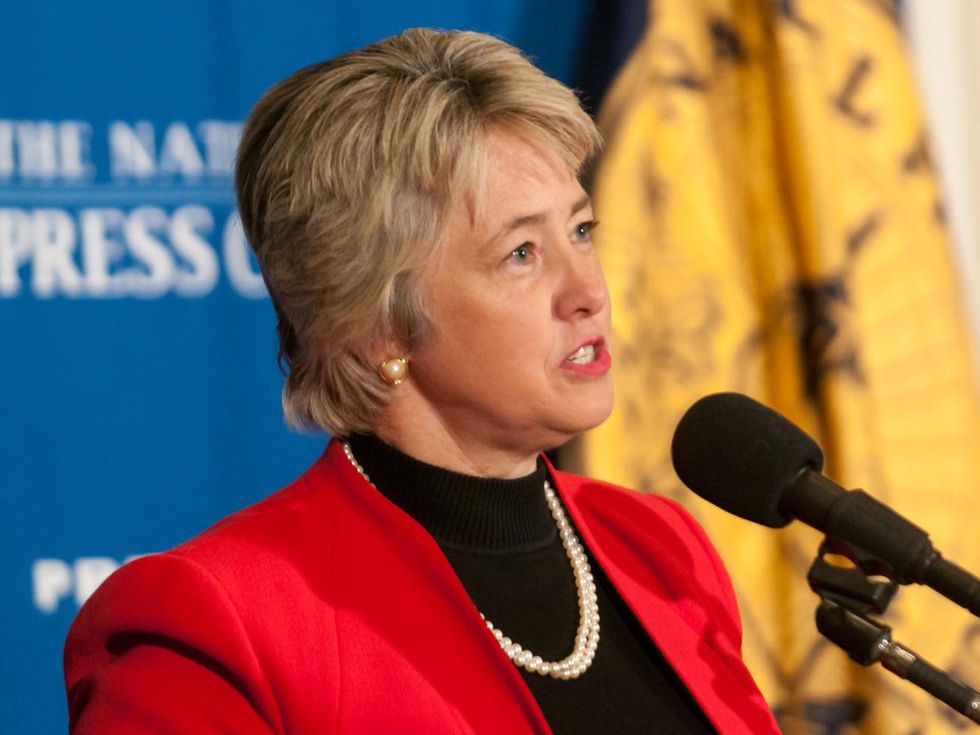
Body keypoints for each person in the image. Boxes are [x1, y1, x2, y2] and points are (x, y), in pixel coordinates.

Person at [64, 28, 780, 734]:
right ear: (379, 325)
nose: (587, 289)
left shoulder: (660, 549)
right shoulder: (219, 623)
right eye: (522, 252)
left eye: (582, 230)